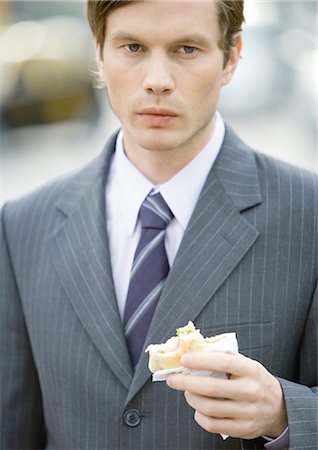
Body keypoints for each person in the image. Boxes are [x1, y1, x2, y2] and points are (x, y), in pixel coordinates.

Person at [1, 0, 317, 449]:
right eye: (132, 47)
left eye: (186, 49)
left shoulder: (309, 215)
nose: (157, 82)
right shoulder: (21, 226)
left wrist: (284, 412)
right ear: (99, 54)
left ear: (231, 57)